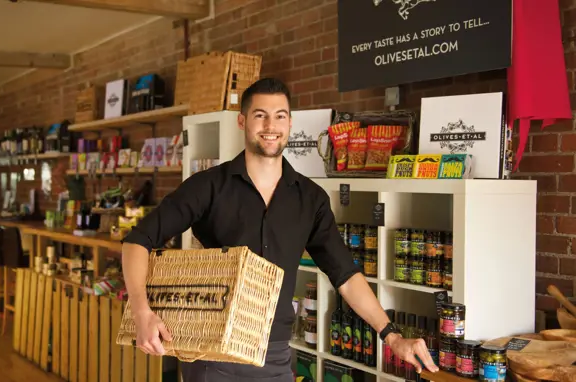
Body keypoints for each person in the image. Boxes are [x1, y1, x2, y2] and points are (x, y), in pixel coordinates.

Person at [121, 78, 439, 381]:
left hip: (274, 353)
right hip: (213, 353)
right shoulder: (208, 187)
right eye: (260, 116)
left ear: (289, 124)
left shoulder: (311, 199)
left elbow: (345, 275)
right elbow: (138, 241)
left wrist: (392, 336)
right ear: (242, 121)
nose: (271, 126)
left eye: (279, 116)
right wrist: (141, 312)